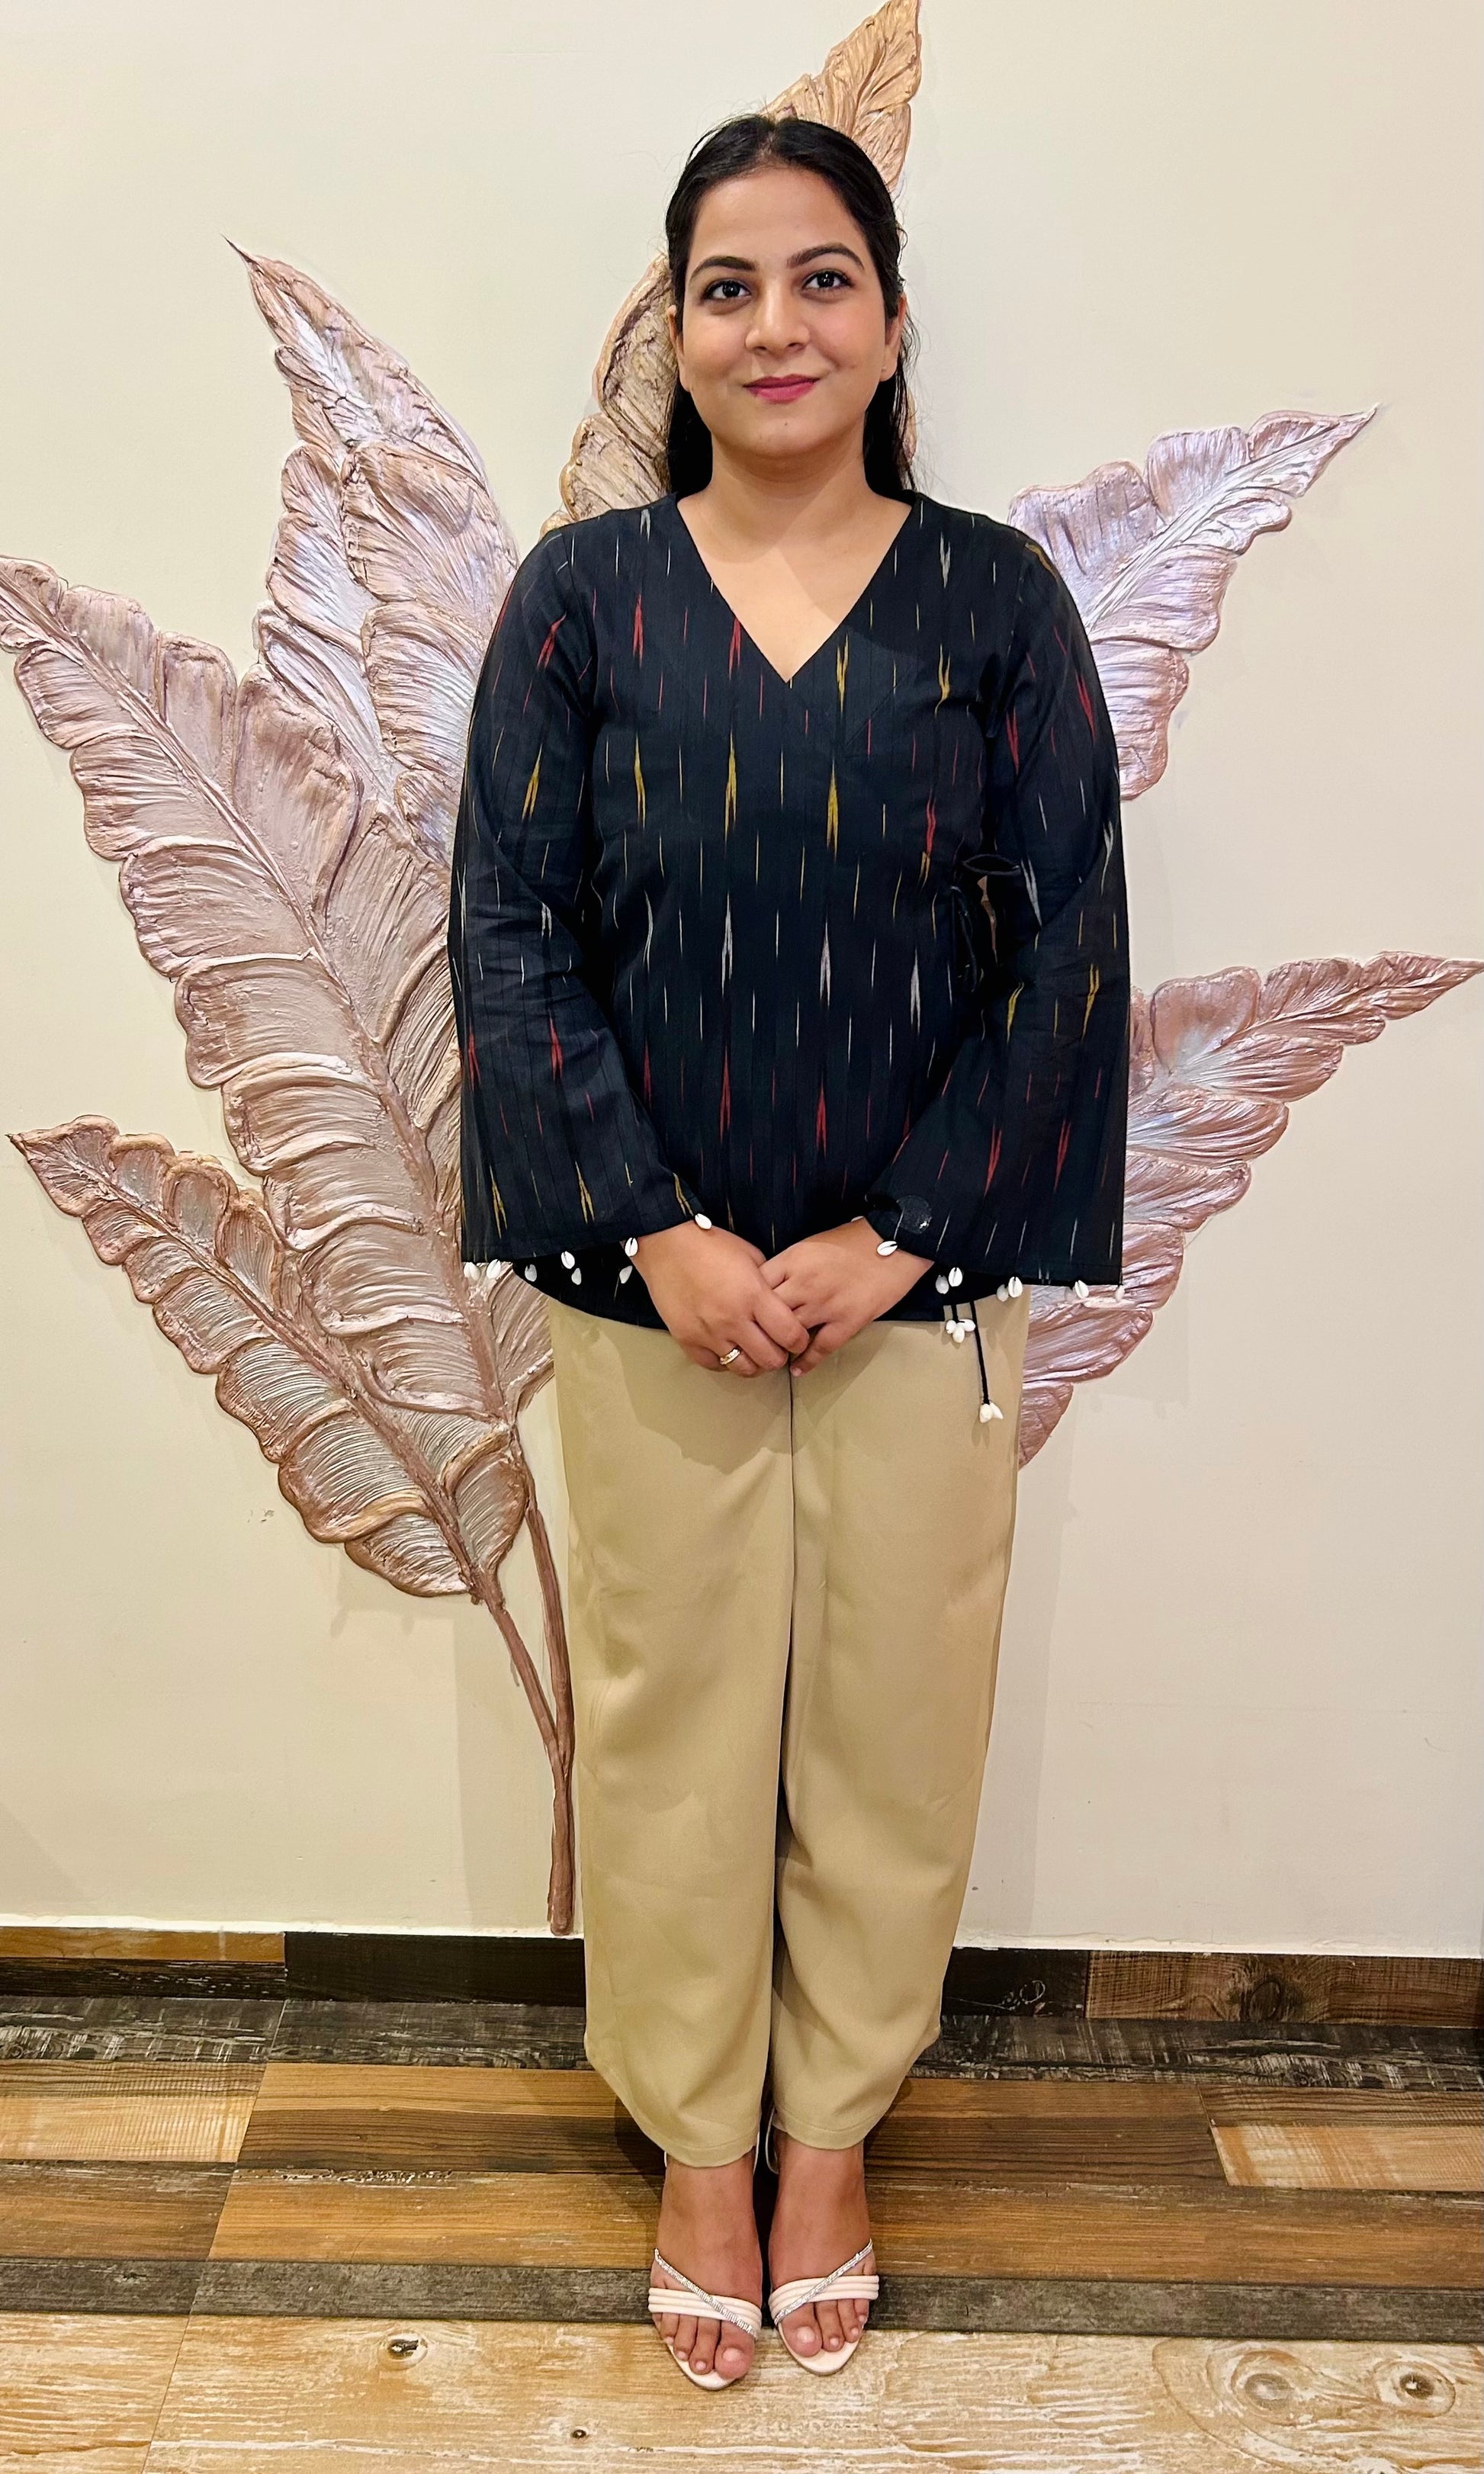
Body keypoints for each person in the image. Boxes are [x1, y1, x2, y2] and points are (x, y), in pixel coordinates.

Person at [448, 111, 1130, 2390]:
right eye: (726, 286)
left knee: (892, 1727)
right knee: (667, 1730)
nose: (775, 325)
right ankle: (696, 2147)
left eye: (821, 278)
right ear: (675, 332)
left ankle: (828, 2132)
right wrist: (658, 1225)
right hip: (647, 1287)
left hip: (918, 1292)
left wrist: (894, 1232)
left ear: (892, 322)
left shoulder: (994, 604)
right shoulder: (582, 601)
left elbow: (1065, 953)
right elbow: (511, 933)